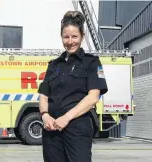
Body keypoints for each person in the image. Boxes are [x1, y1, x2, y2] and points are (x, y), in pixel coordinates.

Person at [38, 11, 108, 162]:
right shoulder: (53, 65)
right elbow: (43, 95)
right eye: (66, 37)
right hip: (52, 129)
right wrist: (45, 115)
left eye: (74, 36)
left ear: (82, 36)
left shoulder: (92, 63)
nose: (70, 41)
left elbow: (93, 97)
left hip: (78, 128)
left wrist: (66, 118)